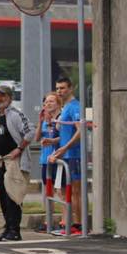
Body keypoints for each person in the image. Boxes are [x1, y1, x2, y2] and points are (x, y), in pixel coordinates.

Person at [0, 83, 31, 241]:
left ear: (9, 98)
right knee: (2, 195)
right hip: (1, 161)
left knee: (13, 195)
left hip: (14, 161)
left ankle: (15, 230)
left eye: (2, 95)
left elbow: (30, 131)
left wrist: (19, 149)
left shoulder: (15, 114)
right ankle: (7, 228)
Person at [49, 78, 84, 235]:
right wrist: (55, 143)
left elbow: (80, 130)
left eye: (62, 88)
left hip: (73, 154)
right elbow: (65, 133)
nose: (59, 91)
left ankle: (79, 224)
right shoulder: (66, 107)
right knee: (66, 190)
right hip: (65, 154)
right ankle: (73, 222)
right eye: (57, 88)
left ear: (70, 88)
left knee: (76, 191)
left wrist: (65, 147)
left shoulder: (75, 106)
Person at [36, 94, 62, 234]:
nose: (47, 105)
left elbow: (61, 138)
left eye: (51, 101)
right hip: (45, 160)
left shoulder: (59, 120)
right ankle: (48, 221)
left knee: (60, 191)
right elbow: (36, 137)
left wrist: (51, 141)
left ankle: (64, 221)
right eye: (45, 102)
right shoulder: (45, 121)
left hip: (57, 159)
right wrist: (40, 122)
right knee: (48, 191)